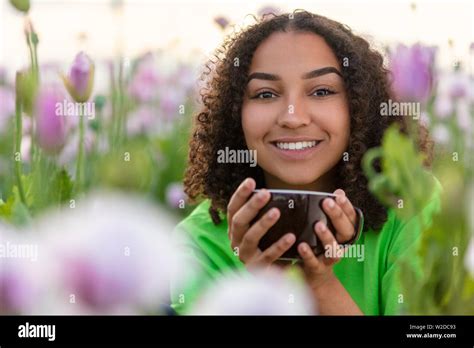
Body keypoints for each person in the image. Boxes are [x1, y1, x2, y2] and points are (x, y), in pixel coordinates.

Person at [170, 10, 440, 315]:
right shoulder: (198, 244)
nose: (292, 117)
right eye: (265, 94)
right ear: (236, 115)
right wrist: (267, 285)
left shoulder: (411, 203)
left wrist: (320, 285)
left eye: (322, 91)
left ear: (358, 106)